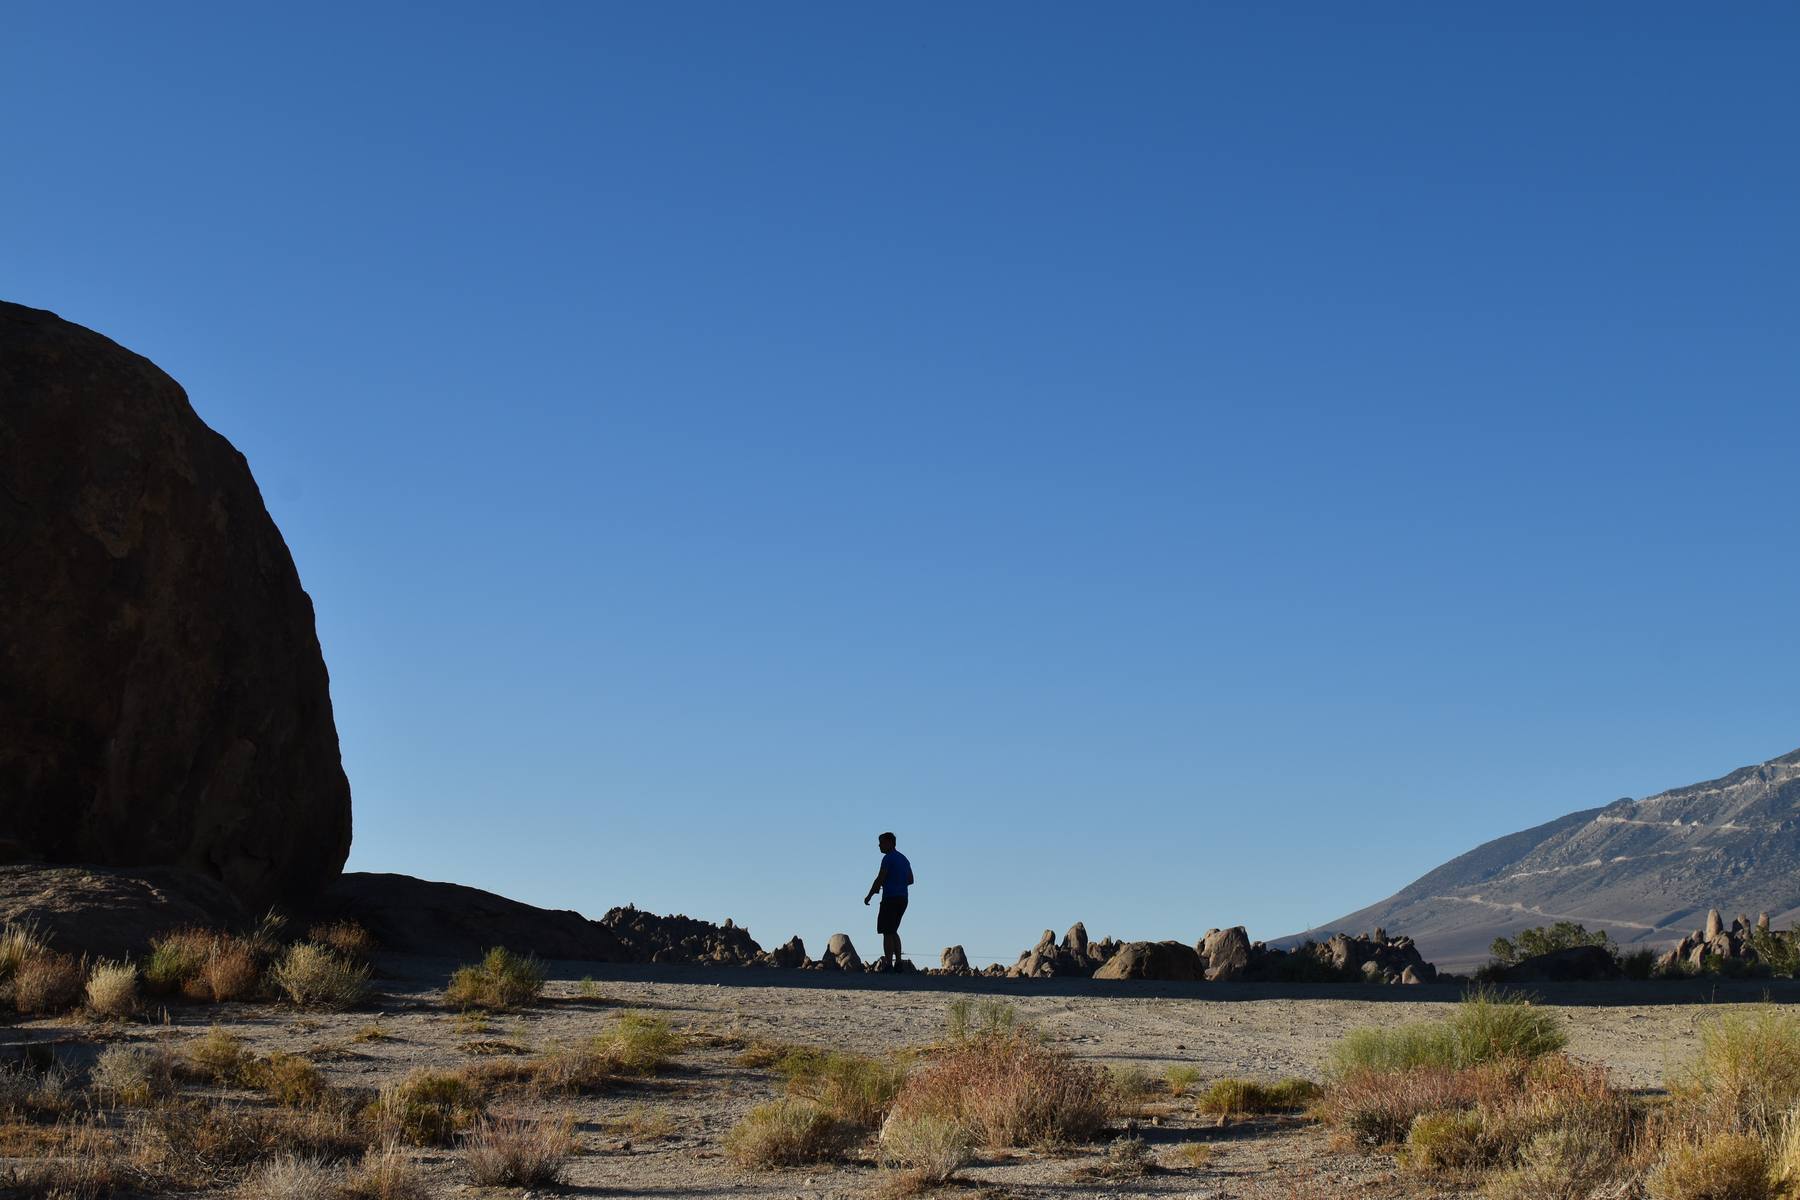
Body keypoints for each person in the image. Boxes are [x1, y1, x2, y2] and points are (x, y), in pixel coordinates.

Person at [862, 831, 914, 970]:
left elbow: (880, 878)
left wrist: (869, 895)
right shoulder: (904, 859)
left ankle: (889, 964)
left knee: (887, 932)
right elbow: (910, 880)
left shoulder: (888, 859)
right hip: (903, 898)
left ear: (890, 843)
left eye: (882, 842)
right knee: (893, 930)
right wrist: (898, 882)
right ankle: (898, 962)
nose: (879, 845)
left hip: (890, 898)